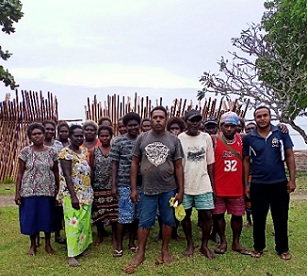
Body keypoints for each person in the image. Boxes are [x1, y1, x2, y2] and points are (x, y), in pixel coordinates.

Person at [126, 106, 184, 272]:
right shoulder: (142, 138)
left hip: (169, 189)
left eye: (161, 117)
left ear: (166, 119)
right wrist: (133, 189)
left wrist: (181, 190)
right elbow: (135, 163)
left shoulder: (174, 140)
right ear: (150, 119)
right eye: (155, 117)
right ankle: (141, 253)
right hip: (147, 189)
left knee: (168, 220)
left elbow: (179, 166)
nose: (158, 120)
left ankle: (165, 250)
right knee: (145, 221)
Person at [243, 106, 296, 260]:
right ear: (255, 119)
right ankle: (258, 247)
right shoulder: (249, 138)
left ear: (270, 116)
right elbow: (246, 161)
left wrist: (292, 180)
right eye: (258, 116)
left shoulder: (281, 133)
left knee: (280, 217)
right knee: (259, 218)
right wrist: (246, 184)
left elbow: (290, 156)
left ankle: (282, 249)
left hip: (279, 183)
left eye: (265, 115)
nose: (262, 118)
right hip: (258, 184)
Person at [15, 123, 59, 256]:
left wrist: (59, 190)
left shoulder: (52, 152)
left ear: (44, 135)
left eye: (39, 133)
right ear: (30, 137)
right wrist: (17, 192)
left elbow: (56, 172)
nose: (37, 136)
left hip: (48, 191)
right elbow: (20, 173)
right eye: (34, 134)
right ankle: (33, 245)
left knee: (47, 218)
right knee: (32, 218)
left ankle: (47, 244)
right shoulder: (25, 152)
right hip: (29, 191)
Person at [178, 110, 216, 259]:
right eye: (191, 120)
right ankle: (190, 243)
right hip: (186, 183)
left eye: (197, 120)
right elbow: (178, 164)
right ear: (186, 121)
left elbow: (210, 162)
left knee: (207, 214)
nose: (195, 123)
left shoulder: (206, 137)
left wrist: (212, 185)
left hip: (203, 182)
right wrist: (179, 187)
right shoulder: (180, 138)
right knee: (185, 215)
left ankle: (204, 245)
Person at [212, 111, 250, 255]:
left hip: (236, 186)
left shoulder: (242, 139)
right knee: (218, 215)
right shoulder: (213, 140)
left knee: (237, 215)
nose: (229, 129)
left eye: (232, 126)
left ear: (237, 127)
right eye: (226, 126)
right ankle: (223, 241)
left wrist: (280, 127)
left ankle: (236, 242)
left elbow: (260, 132)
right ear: (221, 126)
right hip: (219, 186)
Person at [59, 125, 94, 266]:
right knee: (72, 224)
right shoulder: (65, 153)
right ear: (70, 137)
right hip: (72, 194)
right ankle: (71, 255)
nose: (79, 138)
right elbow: (67, 176)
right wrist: (73, 196)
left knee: (84, 223)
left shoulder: (84, 151)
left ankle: (82, 248)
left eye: (81, 136)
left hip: (86, 192)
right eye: (76, 136)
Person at [110, 112, 142, 257]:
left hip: (142, 183)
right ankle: (118, 245)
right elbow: (114, 164)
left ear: (139, 125)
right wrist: (113, 184)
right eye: (130, 125)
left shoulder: (143, 140)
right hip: (124, 183)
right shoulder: (118, 141)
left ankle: (131, 242)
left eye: (135, 124)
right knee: (123, 216)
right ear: (126, 126)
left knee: (136, 216)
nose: (133, 127)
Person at [90, 125, 118, 246]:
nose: (104, 138)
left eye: (107, 135)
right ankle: (100, 235)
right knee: (99, 213)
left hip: (112, 185)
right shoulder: (94, 151)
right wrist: (91, 185)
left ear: (111, 136)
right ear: (98, 137)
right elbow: (92, 169)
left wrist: (115, 184)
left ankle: (114, 236)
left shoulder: (115, 150)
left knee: (114, 213)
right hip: (98, 185)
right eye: (102, 136)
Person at [42, 120, 66, 245]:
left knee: (58, 209)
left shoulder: (58, 144)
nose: (50, 131)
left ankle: (57, 234)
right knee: (43, 208)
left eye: (52, 129)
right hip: (42, 181)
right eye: (47, 129)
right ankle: (39, 235)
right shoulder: (36, 144)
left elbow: (62, 162)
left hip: (57, 179)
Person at [244, 121, 256, 227]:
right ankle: (248, 219)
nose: (250, 131)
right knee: (247, 198)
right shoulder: (244, 143)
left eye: (252, 128)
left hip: (259, 176)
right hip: (247, 176)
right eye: (248, 129)